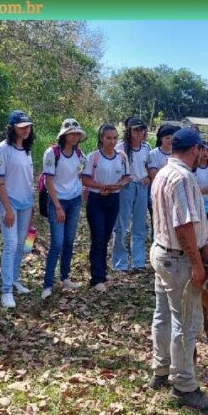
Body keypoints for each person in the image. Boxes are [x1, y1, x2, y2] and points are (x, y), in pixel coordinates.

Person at [148, 128, 208, 412]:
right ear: (193, 150)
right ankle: (185, 386)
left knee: (163, 316)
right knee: (186, 323)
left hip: (162, 252)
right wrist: (196, 263)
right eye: (201, 149)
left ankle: (161, 371)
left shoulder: (163, 173)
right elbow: (184, 224)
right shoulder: (183, 177)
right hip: (178, 258)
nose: (202, 154)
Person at [40, 118, 87, 299]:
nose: (75, 136)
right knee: (57, 243)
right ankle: (47, 284)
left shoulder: (78, 153)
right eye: (72, 133)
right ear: (64, 135)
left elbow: (87, 166)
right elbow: (48, 180)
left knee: (69, 241)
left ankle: (65, 276)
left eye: (77, 133)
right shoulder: (52, 153)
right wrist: (58, 207)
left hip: (74, 201)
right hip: (57, 202)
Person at [82, 124, 131, 292]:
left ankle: (102, 271)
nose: (112, 141)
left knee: (107, 235)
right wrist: (101, 186)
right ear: (101, 139)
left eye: (115, 138)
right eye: (108, 138)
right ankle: (96, 278)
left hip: (114, 198)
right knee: (98, 236)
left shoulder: (122, 157)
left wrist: (117, 186)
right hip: (96, 199)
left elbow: (127, 177)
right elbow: (85, 179)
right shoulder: (93, 157)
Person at [0, 110, 36, 309]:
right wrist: (7, 208)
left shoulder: (27, 149)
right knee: (10, 244)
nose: (26, 130)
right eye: (22, 127)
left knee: (21, 243)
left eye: (28, 127)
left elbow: (28, 179)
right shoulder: (3, 149)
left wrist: (32, 203)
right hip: (8, 201)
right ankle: (6, 290)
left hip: (25, 203)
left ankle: (15, 279)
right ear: (12, 129)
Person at [113, 117, 151, 272]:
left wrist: (148, 177)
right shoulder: (120, 147)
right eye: (136, 129)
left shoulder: (146, 147)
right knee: (121, 225)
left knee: (139, 225)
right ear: (129, 131)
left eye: (142, 129)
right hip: (125, 188)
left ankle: (138, 261)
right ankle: (120, 263)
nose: (139, 132)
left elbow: (149, 165)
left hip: (142, 186)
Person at [148, 124, 180, 240]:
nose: (170, 141)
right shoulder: (154, 154)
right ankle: (157, 240)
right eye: (167, 138)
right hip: (159, 191)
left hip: (176, 192)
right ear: (161, 139)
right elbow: (153, 174)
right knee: (158, 217)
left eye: (172, 138)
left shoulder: (178, 153)